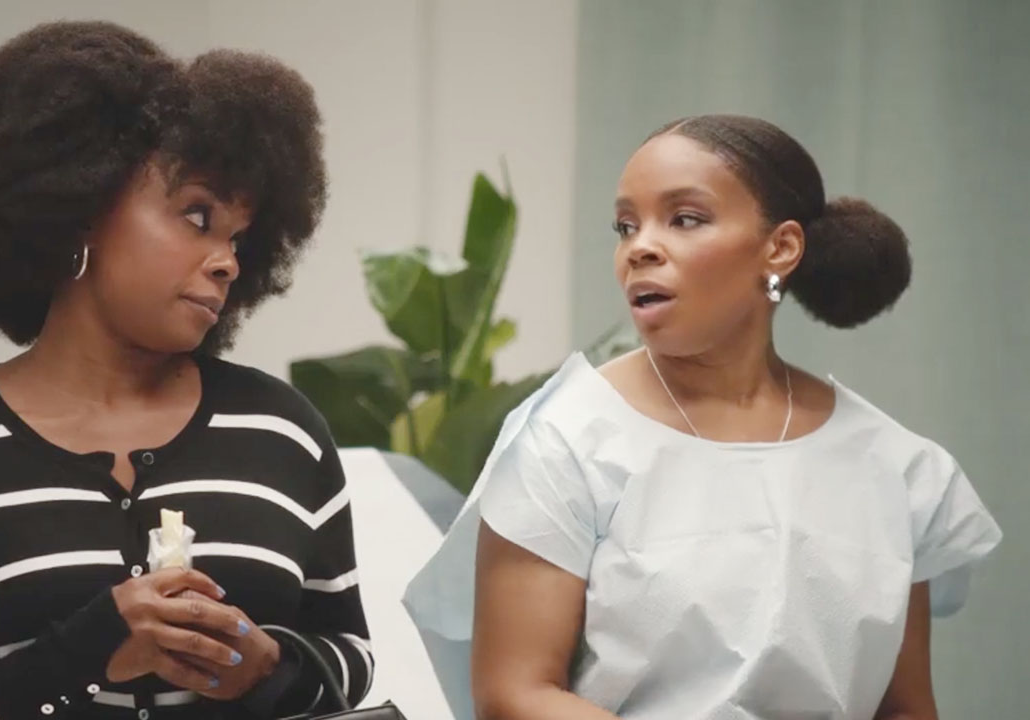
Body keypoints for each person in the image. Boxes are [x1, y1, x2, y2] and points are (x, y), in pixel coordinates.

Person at [405, 114, 1002, 719]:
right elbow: (515, 696)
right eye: (625, 226)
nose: (639, 247)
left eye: (685, 218)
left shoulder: (895, 468)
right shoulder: (565, 441)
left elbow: (905, 707)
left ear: (782, 248)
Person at [0, 21, 372, 720]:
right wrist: (79, 655)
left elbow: (349, 656)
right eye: (197, 215)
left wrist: (267, 665)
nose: (227, 261)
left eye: (239, 238)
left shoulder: (284, 435)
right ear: (82, 207)